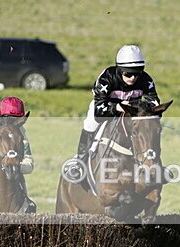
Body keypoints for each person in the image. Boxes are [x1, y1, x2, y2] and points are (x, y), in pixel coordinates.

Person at [63, 45, 161, 183]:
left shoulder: (146, 80)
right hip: (105, 106)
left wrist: (141, 110)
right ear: (120, 70)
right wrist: (117, 107)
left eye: (137, 74)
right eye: (128, 74)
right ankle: (80, 160)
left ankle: (155, 164)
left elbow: (155, 102)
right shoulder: (106, 78)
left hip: (131, 111)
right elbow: (99, 112)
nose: (133, 78)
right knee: (90, 123)